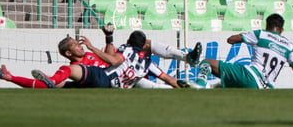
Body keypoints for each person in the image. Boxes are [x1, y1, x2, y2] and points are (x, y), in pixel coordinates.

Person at [0, 25, 202, 89]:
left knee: (62, 78)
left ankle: (190, 74)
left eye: (79, 43)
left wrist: (108, 37)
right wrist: (12, 78)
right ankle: (50, 81)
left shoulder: (99, 57)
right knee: (59, 79)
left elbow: (111, 57)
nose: (80, 45)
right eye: (76, 45)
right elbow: (113, 59)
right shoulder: (80, 64)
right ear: (69, 53)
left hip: (115, 79)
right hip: (108, 79)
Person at [31, 30, 182, 89]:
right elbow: (169, 79)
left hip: (103, 77)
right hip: (114, 88)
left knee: (69, 71)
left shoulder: (127, 49)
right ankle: (14, 78)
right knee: (64, 85)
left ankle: (50, 80)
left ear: (130, 41)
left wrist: (92, 47)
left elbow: (114, 61)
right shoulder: (149, 64)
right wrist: (182, 88)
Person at [194, 13, 293, 89]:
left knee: (207, 62)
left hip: (250, 76)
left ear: (266, 25)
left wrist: (245, 36)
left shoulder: (261, 34)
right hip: (266, 88)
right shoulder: (290, 46)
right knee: (222, 86)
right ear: (282, 30)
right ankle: (209, 88)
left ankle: (199, 85)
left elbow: (231, 40)